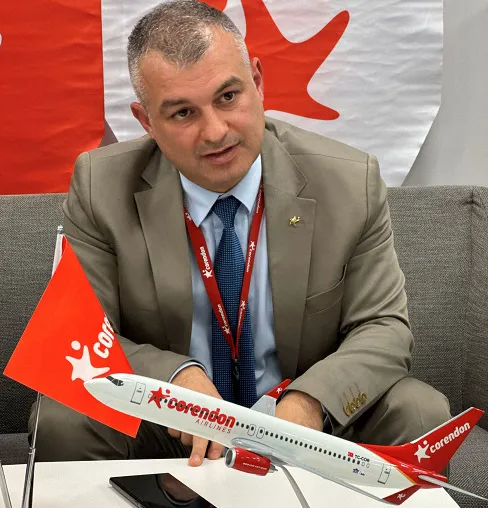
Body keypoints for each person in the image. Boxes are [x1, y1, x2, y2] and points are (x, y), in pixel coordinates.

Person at [29, 0, 450, 467]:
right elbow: (80, 334)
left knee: (419, 411)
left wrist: (310, 402)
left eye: (228, 97)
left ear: (258, 82)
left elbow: (383, 327)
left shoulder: (351, 182)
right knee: (61, 418)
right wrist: (173, 380)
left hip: (306, 425)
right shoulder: (100, 185)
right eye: (183, 113)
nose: (215, 132)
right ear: (147, 122)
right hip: (170, 427)